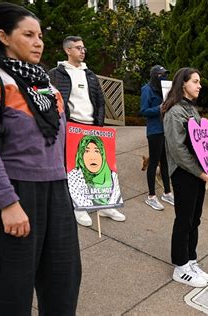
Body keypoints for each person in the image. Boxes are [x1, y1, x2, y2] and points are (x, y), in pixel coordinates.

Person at [0, 3, 81, 314]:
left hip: (56, 192)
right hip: (8, 194)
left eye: (40, 35)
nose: (38, 42)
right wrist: (8, 204)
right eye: (28, 34)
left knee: (63, 283)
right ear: (4, 36)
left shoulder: (46, 84)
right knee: (4, 291)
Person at [49, 35, 125, 226]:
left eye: (83, 48)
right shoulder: (56, 74)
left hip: (93, 127)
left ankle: (105, 204)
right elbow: (53, 101)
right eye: (78, 48)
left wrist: (99, 124)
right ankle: (79, 207)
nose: (83, 51)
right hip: (72, 126)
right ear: (68, 50)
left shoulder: (89, 73)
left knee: (100, 166)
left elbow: (100, 101)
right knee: (76, 168)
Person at [162, 67, 208, 288]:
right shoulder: (175, 112)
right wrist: (200, 172)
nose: (199, 85)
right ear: (183, 84)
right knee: (184, 220)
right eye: (195, 81)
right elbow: (177, 150)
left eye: (199, 81)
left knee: (195, 219)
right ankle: (180, 266)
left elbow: (203, 144)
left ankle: (191, 259)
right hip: (184, 173)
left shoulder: (192, 110)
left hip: (198, 174)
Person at [140, 65, 174, 210]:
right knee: (154, 162)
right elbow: (144, 111)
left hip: (166, 129)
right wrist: (159, 108)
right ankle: (151, 196)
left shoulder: (166, 90)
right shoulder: (147, 89)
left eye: (165, 74)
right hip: (155, 131)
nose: (163, 77)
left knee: (166, 162)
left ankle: (167, 192)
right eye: (160, 75)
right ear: (154, 75)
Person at [68, 135, 123, 209]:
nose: (92, 157)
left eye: (97, 151)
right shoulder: (74, 176)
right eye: (86, 151)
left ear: (102, 154)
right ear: (81, 155)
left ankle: (106, 207)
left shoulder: (112, 176)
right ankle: (80, 210)